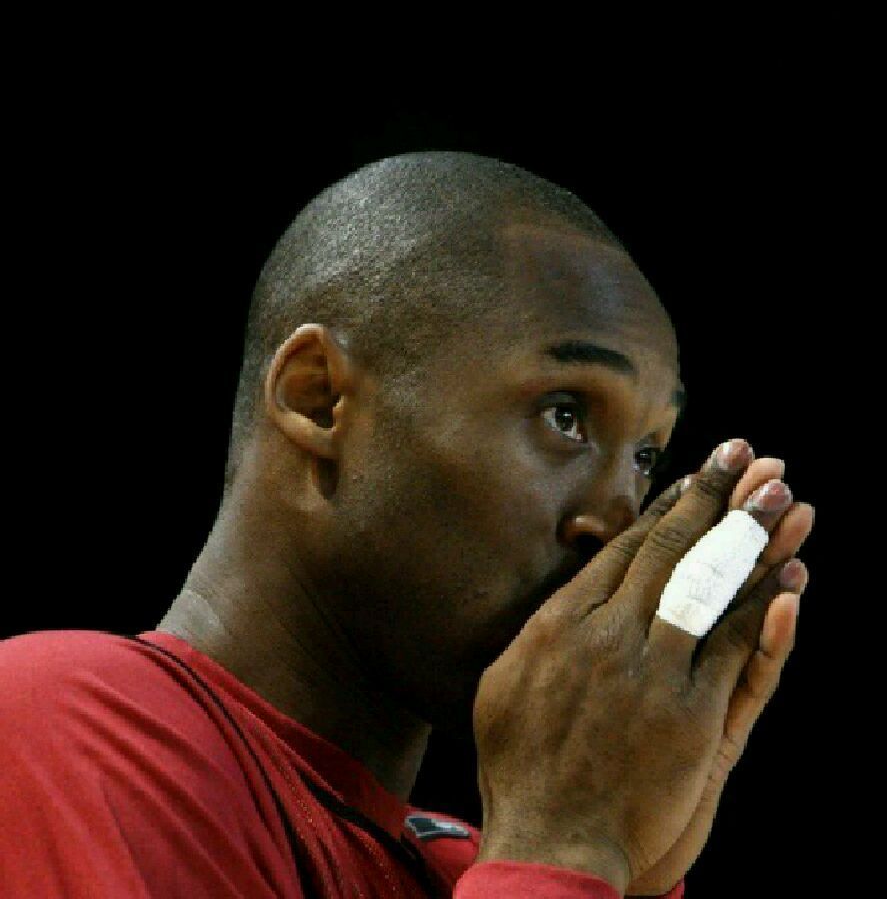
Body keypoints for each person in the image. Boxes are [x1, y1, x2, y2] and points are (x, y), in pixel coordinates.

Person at [0, 152, 814, 898]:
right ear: (319, 397)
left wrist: (623, 872)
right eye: (565, 416)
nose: (617, 522)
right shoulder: (56, 723)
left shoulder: (473, 867)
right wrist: (564, 852)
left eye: (646, 456)